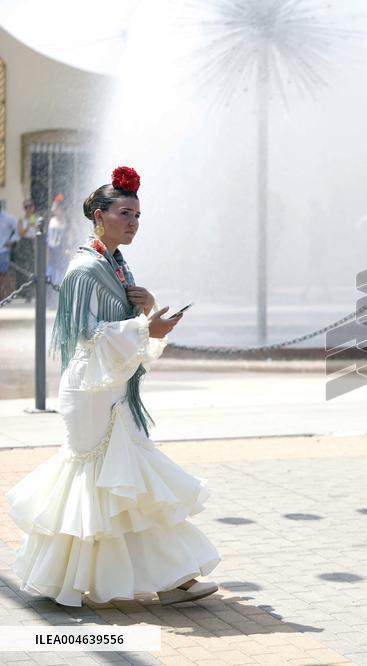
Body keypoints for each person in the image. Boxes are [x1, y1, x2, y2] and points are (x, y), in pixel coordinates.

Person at [6, 166, 219, 607]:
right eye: (125, 213)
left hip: (110, 386)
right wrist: (144, 329)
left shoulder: (116, 265)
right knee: (107, 483)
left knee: (127, 484)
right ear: (99, 216)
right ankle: (75, 578)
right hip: (90, 390)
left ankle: (169, 578)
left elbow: (119, 330)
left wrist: (149, 311)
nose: (133, 222)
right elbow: (85, 335)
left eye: (137, 215)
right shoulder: (86, 268)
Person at [12, 199, 40, 301]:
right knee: (23, 269)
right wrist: (28, 225)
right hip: (24, 244)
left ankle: (32, 293)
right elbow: (21, 233)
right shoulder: (21, 220)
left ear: (33, 207)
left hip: (34, 244)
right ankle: (24, 293)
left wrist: (35, 225)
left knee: (33, 268)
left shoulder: (38, 220)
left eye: (30, 206)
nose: (28, 209)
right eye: (26, 207)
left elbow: (41, 232)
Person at [0, 206, 16, 299]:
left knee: (3, 274)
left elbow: (18, 229)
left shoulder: (8, 218)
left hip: (3, 250)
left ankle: (3, 295)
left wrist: (12, 240)